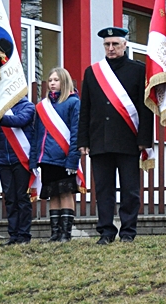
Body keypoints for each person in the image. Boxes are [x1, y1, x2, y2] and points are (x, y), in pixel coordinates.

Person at [78, 27, 153, 245]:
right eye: (107, 45)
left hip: (128, 140)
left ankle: (128, 231)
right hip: (99, 140)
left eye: (115, 44)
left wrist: (144, 140)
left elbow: (145, 108)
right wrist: (83, 140)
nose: (111, 48)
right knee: (103, 190)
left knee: (130, 190)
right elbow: (86, 108)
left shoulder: (138, 70)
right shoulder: (93, 72)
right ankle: (106, 232)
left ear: (125, 45)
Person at [32, 67, 81, 242]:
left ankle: (65, 234)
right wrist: (34, 159)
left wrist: (73, 160)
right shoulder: (42, 106)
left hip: (64, 156)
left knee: (65, 193)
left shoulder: (74, 102)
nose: (52, 83)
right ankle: (55, 233)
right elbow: (37, 135)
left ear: (64, 82)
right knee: (52, 193)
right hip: (46, 158)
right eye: (50, 80)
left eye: (56, 80)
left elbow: (76, 133)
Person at [0, 95, 36, 245]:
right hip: (4, 160)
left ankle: (24, 234)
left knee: (22, 198)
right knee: (10, 199)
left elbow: (19, 121)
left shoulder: (27, 106)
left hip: (21, 159)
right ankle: (13, 235)